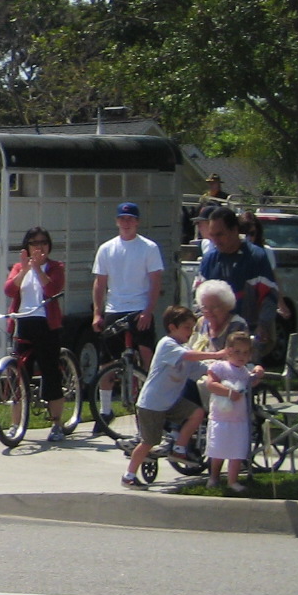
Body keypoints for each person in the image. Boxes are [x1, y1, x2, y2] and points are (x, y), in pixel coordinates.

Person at [122, 306, 220, 485]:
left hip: (170, 403)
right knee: (148, 442)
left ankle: (179, 448)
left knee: (197, 413)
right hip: (151, 405)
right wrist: (216, 354)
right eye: (186, 327)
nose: (190, 332)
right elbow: (189, 356)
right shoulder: (167, 344)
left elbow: (201, 368)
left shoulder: (184, 351)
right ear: (172, 327)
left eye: (192, 328)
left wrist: (226, 367)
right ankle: (128, 476)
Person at [2, 226, 71, 443]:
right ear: (27, 247)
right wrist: (24, 270)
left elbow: (53, 290)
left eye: (43, 242)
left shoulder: (55, 267)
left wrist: (39, 269)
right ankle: (16, 424)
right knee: (18, 375)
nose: (38, 247)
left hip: (46, 324)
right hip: (23, 322)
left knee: (50, 371)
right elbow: (9, 290)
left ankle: (57, 424)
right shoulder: (19, 267)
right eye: (34, 243)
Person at [171, 278, 251, 461]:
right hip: (198, 370)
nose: (209, 312)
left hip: (223, 375)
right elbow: (190, 348)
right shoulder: (201, 323)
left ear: (227, 306)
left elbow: (238, 356)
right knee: (171, 380)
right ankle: (171, 431)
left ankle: (177, 435)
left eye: (215, 307)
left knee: (191, 383)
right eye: (205, 307)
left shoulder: (236, 325)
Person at [196, 207, 281, 359]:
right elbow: (197, 295)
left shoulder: (256, 257)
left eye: (220, 234)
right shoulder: (209, 259)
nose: (215, 240)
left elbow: (270, 295)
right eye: (212, 235)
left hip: (246, 335)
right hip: (214, 335)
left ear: (234, 230)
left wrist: (263, 324)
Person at [91, 202, 164, 365]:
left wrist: (148, 310)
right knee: (107, 361)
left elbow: (156, 281)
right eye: (122, 219)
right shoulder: (106, 249)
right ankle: (105, 392)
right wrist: (97, 313)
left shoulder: (149, 247)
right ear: (117, 222)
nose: (126, 223)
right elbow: (100, 283)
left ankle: (147, 389)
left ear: (137, 222)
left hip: (139, 308)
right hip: (114, 308)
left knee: (146, 352)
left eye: (130, 219)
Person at [203, 330, 264, 491]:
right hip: (220, 418)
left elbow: (251, 384)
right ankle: (214, 477)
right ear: (228, 350)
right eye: (237, 351)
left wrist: (257, 373)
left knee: (236, 451)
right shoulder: (220, 367)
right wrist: (229, 392)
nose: (241, 356)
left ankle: (232, 481)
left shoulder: (244, 371)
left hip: (239, 419)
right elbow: (210, 384)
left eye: (245, 352)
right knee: (218, 450)